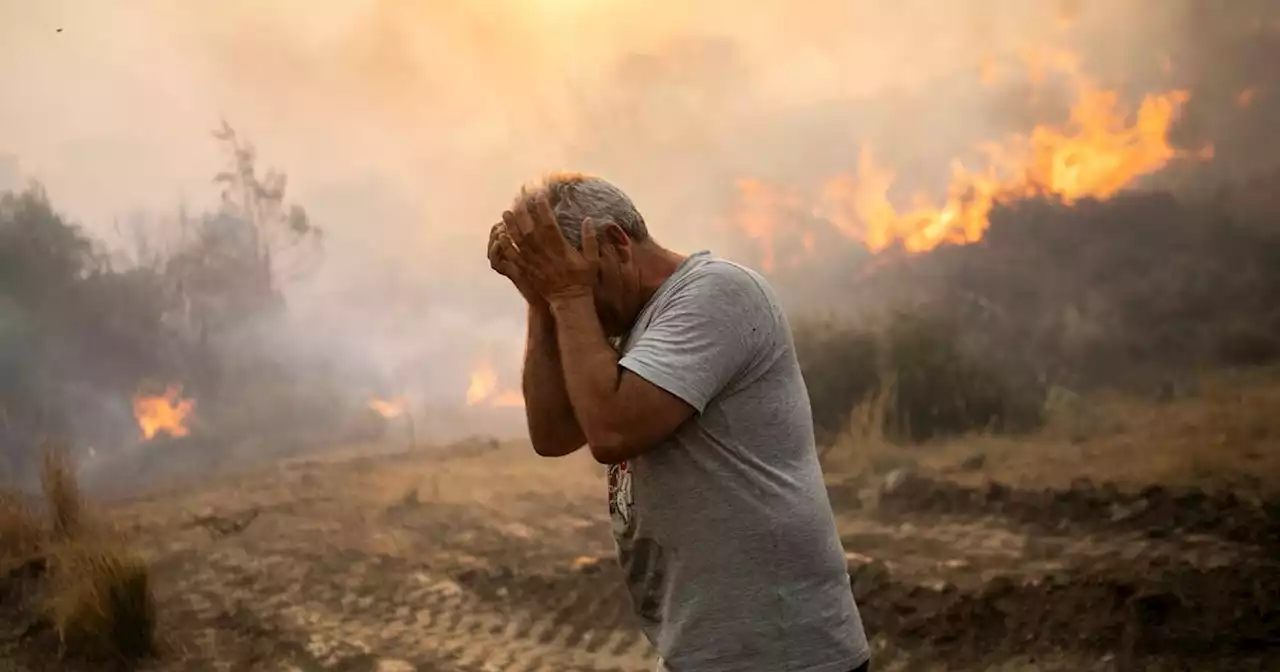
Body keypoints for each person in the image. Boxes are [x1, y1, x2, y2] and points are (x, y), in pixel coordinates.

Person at [486, 173, 870, 672]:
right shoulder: (625, 323)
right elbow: (553, 435)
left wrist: (566, 295)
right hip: (706, 648)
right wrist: (541, 299)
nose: (583, 312)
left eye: (577, 278)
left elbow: (612, 433)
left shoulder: (718, 293)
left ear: (615, 243)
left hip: (780, 651)